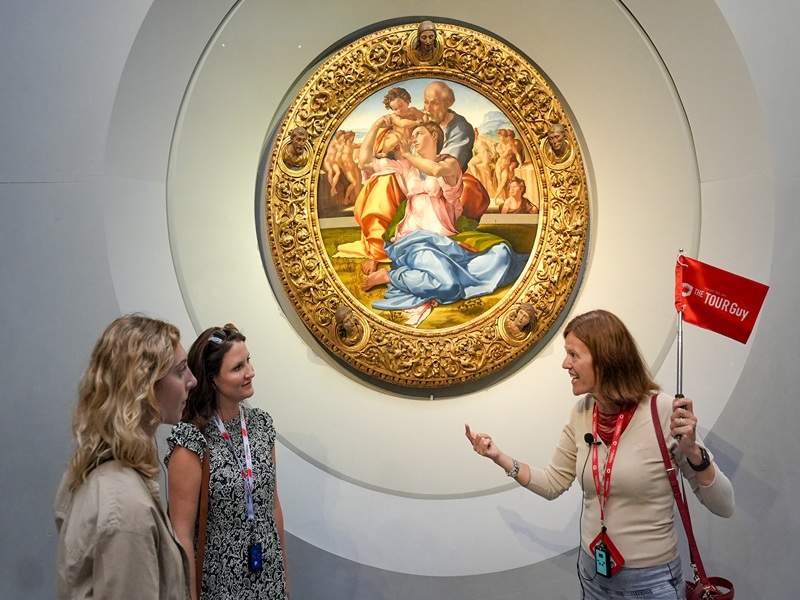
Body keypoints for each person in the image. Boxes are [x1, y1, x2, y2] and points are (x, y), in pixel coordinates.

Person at [466, 309, 734, 599]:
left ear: (605, 359)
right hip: (593, 576)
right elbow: (554, 483)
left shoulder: (666, 412)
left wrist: (694, 452)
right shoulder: (582, 412)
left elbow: (724, 504)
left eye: (573, 354)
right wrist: (498, 456)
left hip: (650, 585)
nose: (564, 364)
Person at [54, 314, 197, 600]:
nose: (192, 381)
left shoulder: (104, 477)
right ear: (145, 386)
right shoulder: (125, 505)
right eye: (180, 370)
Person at [362, 122, 527, 327]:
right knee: (447, 284)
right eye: (412, 135)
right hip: (415, 241)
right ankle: (391, 276)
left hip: (447, 241)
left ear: (434, 135)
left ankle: (423, 276)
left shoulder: (449, 163)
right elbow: (365, 161)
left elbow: (436, 170)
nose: (413, 138)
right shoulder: (406, 167)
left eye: (419, 133)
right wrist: (376, 126)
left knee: (502, 254)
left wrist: (408, 154)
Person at [166, 324, 288, 600]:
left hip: (268, 583)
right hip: (220, 586)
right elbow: (181, 534)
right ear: (211, 379)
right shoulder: (191, 439)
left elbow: (273, 506)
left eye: (248, 361)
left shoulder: (261, 425)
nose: (250, 372)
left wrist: (284, 582)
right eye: (237, 368)